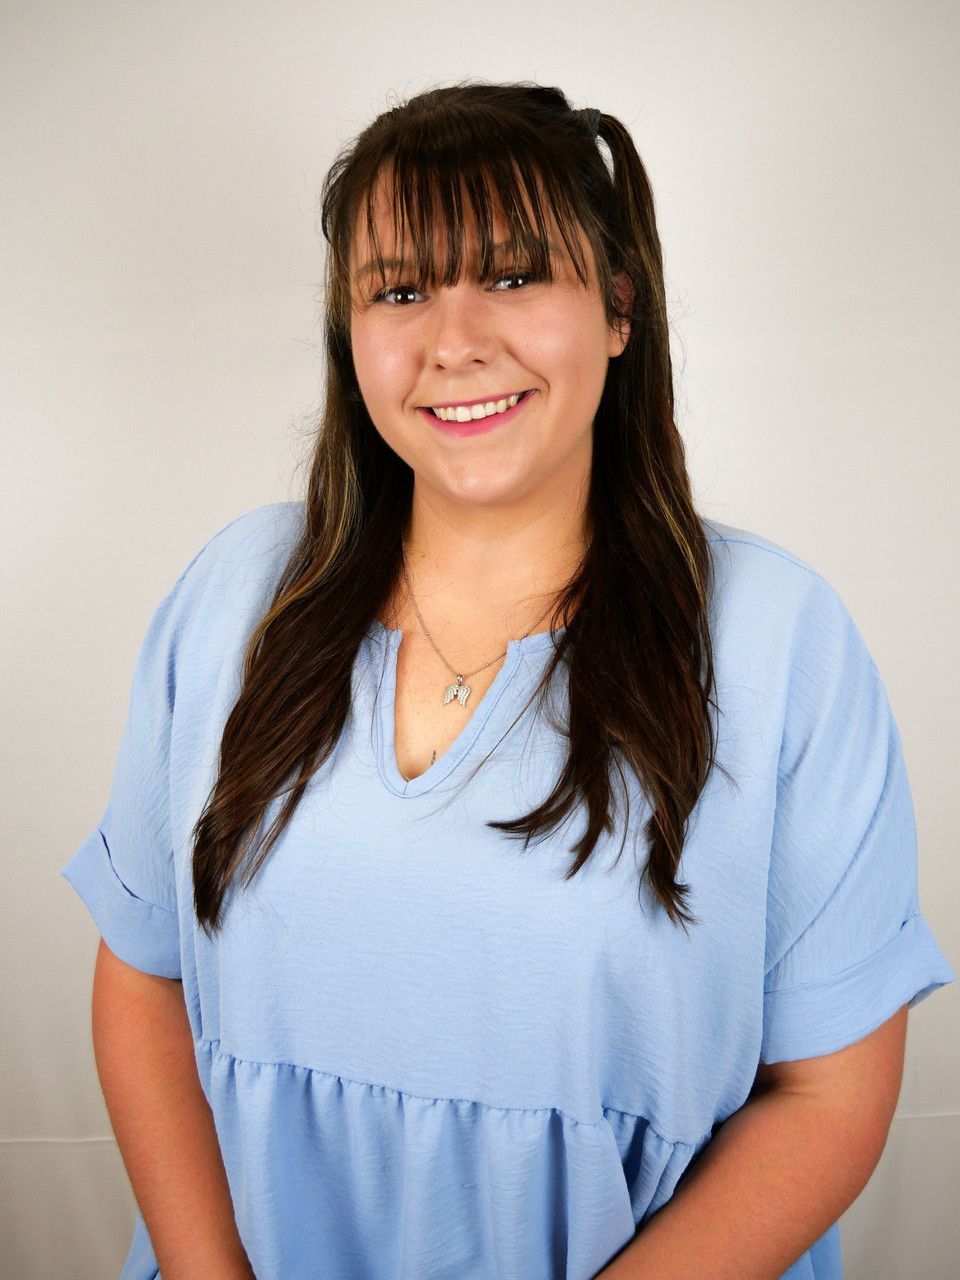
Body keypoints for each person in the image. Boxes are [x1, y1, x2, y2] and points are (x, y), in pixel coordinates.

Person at [60, 80, 955, 1280]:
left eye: (518, 274)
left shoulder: (779, 639)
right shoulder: (236, 593)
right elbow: (143, 979)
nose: (455, 339)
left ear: (620, 307)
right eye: (401, 289)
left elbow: (830, 1095)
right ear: (352, 331)